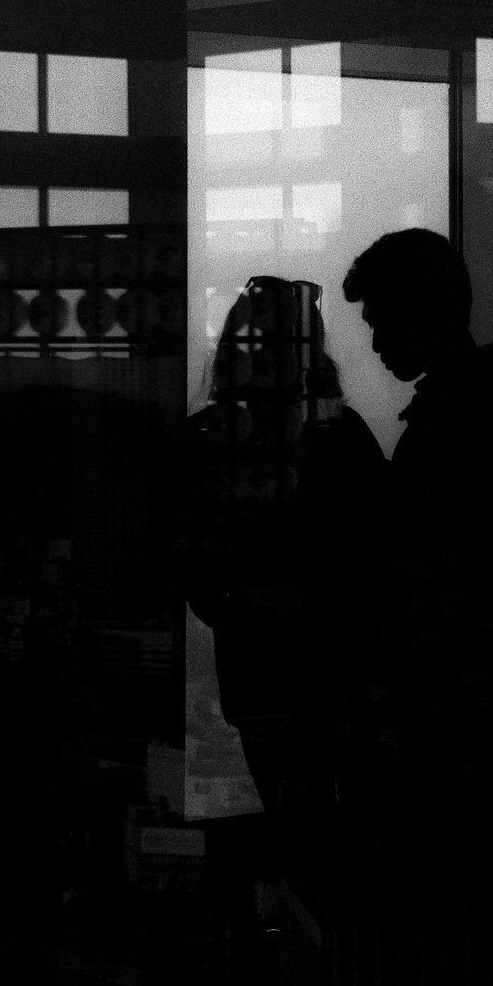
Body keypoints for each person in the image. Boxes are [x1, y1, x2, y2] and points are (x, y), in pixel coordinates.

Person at [342, 229, 493, 912]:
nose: (374, 346)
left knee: (431, 883)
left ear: (415, 310)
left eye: (379, 323)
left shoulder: (449, 425)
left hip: (435, 690)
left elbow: (415, 566)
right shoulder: (484, 409)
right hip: (471, 684)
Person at [177, 276, 386, 902]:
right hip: (336, 681)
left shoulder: (208, 443)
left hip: (265, 680)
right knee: (338, 850)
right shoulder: (341, 437)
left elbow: (196, 570)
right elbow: (379, 561)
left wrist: (250, 605)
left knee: (305, 845)